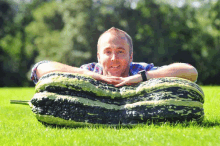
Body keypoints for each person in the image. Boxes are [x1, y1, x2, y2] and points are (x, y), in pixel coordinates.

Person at [31, 27, 198, 87]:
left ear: (131, 56)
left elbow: (191, 72)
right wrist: (89, 76)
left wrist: (142, 78)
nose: (113, 59)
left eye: (120, 52)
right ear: (98, 56)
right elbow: (39, 69)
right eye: (107, 52)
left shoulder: (140, 70)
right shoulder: (90, 70)